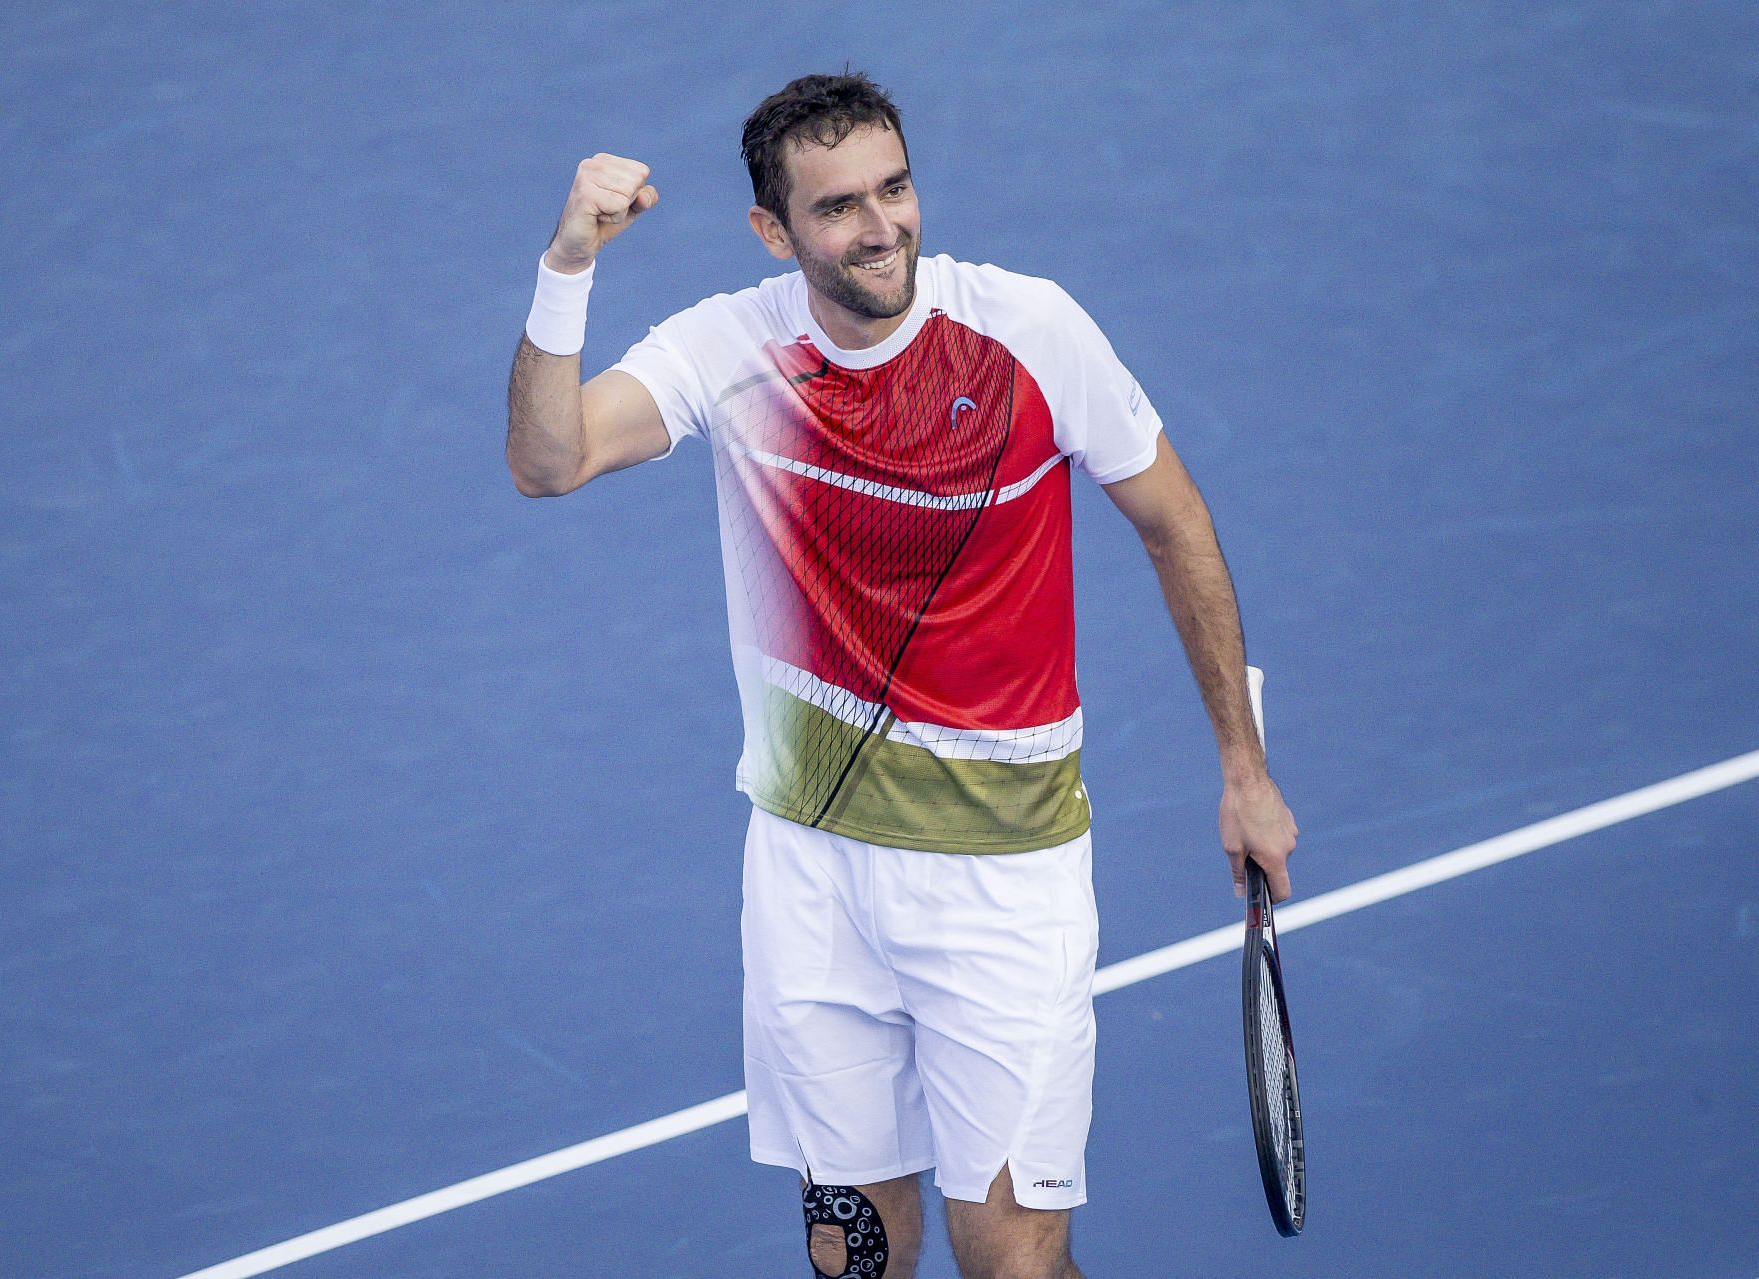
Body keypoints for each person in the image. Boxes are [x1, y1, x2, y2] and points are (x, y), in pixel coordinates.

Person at [507, 71, 1297, 1279]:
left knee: (1013, 1264)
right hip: (810, 874)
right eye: (838, 208)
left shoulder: (1029, 332)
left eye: (895, 188)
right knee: (854, 1257)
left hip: (1003, 882)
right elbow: (547, 460)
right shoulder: (730, 348)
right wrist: (569, 264)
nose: (882, 228)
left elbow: (1174, 524)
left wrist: (1243, 766)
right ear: (774, 231)